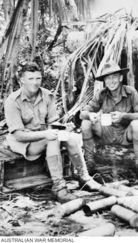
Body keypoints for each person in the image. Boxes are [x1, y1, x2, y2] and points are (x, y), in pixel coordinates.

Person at [4, 62, 102, 202]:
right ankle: (59, 187)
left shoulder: (47, 96)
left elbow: (52, 123)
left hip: (45, 138)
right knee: (52, 138)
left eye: (38, 78)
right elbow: (19, 135)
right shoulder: (13, 101)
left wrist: (63, 127)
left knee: (71, 137)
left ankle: (84, 177)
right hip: (24, 144)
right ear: (22, 81)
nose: (35, 82)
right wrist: (46, 134)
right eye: (31, 79)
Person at [80, 62, 138, 181]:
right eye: (107, 78)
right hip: (106, 133)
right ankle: (89, 162)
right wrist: (90, 114)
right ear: (104, 81)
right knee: (86, 122)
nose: (111, 81)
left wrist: (125, 116)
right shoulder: (101, 94)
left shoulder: (130, 92)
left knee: (137, 124)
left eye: (114, 77)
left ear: (121, 78)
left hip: (125, 135)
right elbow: (82, 113)